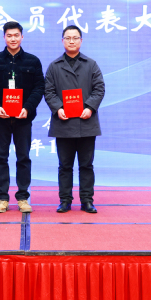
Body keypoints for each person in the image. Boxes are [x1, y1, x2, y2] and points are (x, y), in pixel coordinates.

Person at [0, 21, 45, 213]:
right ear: (4, 37)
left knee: (23, 157)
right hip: (1, 118)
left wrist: (27, 108)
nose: (13, 39)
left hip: (23, 118)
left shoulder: (33, 61)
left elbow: (39, 88)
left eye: (16, 35)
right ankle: (2, 199)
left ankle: (23, 198)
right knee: (0, 158)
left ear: (22, 37)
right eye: (9, 35)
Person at [44, 25, 105, 213]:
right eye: (68, 38)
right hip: (63, 124)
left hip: (86, 123)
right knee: (65, 166)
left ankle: (87, 200)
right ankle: (65, 200)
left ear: (81, 40)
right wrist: (58, 108)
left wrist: (89, 107)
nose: (71, 41)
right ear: (62, 41)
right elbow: (48, 91)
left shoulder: (91, 64)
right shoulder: (54, 66)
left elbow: (99, 89)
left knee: (86, 165)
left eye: (75, 38)